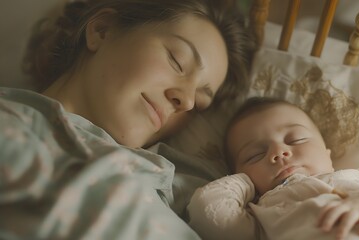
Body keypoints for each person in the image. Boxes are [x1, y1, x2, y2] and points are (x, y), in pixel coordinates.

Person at [0, 0, 255, 239]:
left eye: (198, 104)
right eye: (177, 62)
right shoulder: (11, 122)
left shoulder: (195, 190)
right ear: (102, 30)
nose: (187, 101)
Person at [187, 97, 359, 240]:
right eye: (255, 155)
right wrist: (246, 181)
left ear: (327, 155)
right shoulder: (261, 215)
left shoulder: (357, 178)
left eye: (296, 140)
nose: (278, 153)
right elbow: (207, 213)